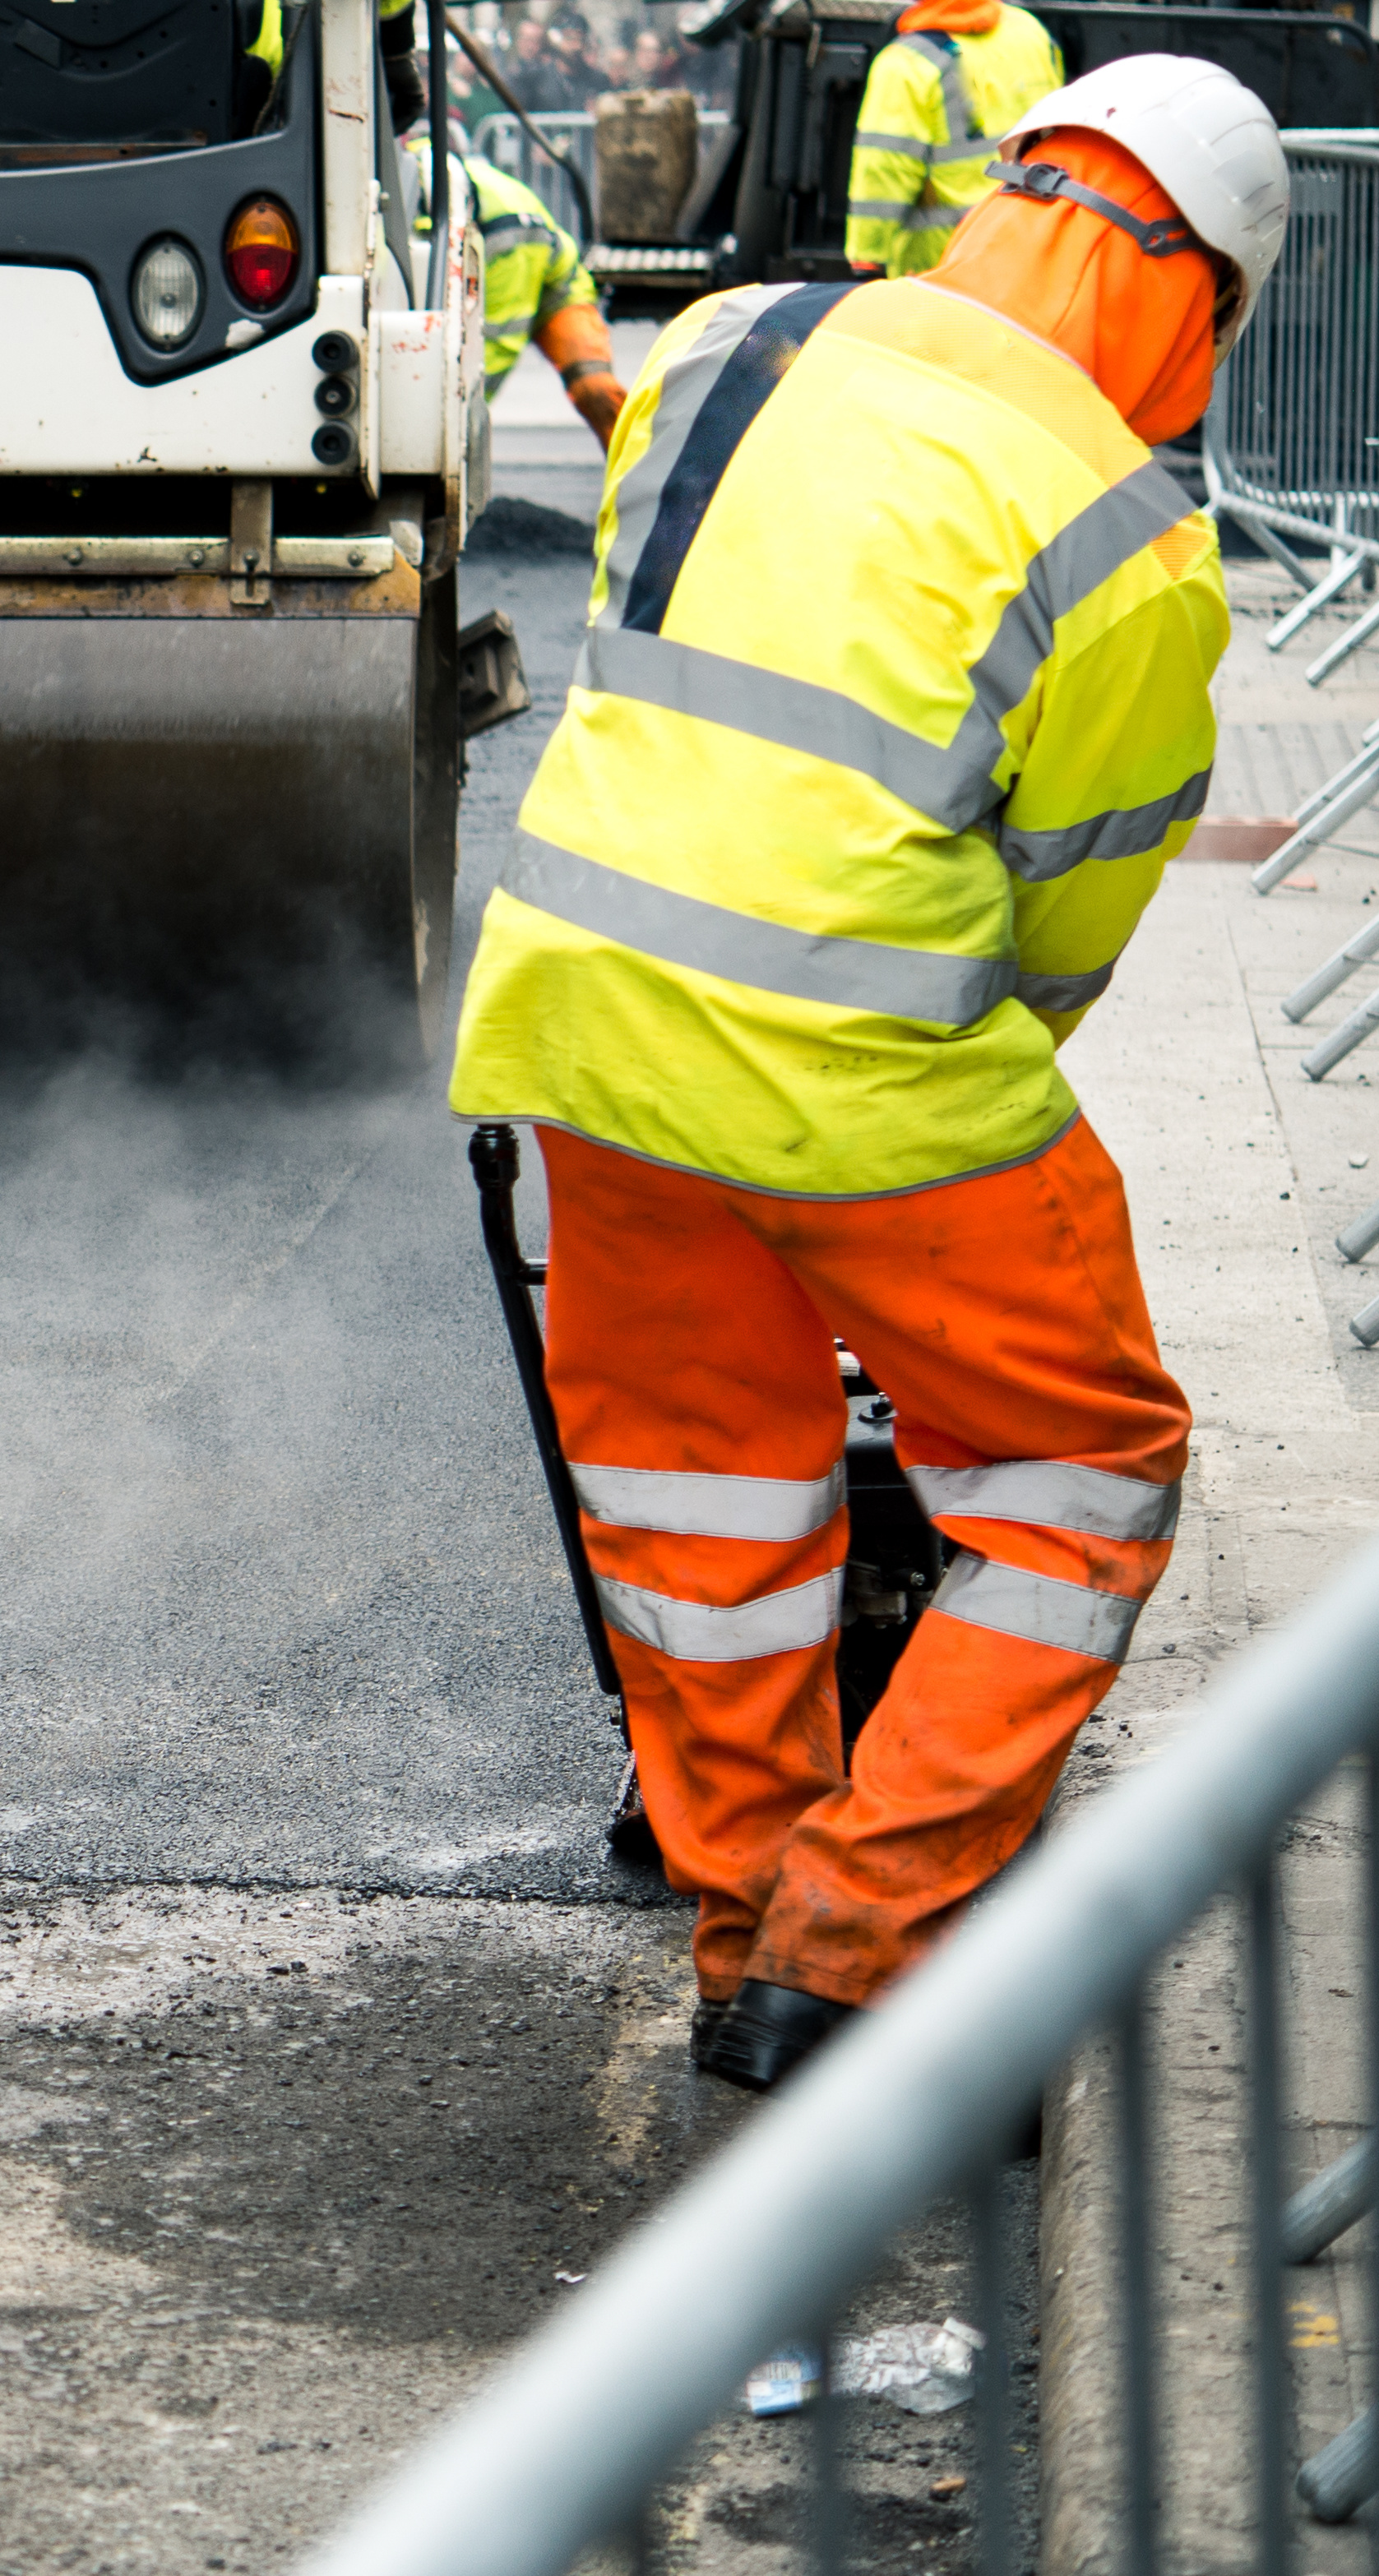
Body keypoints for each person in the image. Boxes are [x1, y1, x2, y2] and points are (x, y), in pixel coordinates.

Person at [447, 57, 1289, 2095]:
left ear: (1009, 195)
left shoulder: (729, 343)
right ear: (1194, 302)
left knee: (703, 1503)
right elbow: (1057, 931)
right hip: (867, 1072)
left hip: (582, 1020)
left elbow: (657, 647)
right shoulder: (1131, 540)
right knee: (1082, 1475)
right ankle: (858, 1936)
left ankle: (748, 1946)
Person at [405, 131, 622, 446]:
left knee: (596, 389)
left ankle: (643, 469)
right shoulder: (425, 179)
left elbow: (495, 347)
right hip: (512, 264)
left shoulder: (502, 234)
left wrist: (451, 422)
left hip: (556, 291)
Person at [846, 0, 1065, 278]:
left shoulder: (906, 63)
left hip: (945, 264)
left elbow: (884, 169)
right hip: (1032, 243)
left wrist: (867, 258)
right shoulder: (1028, 29)